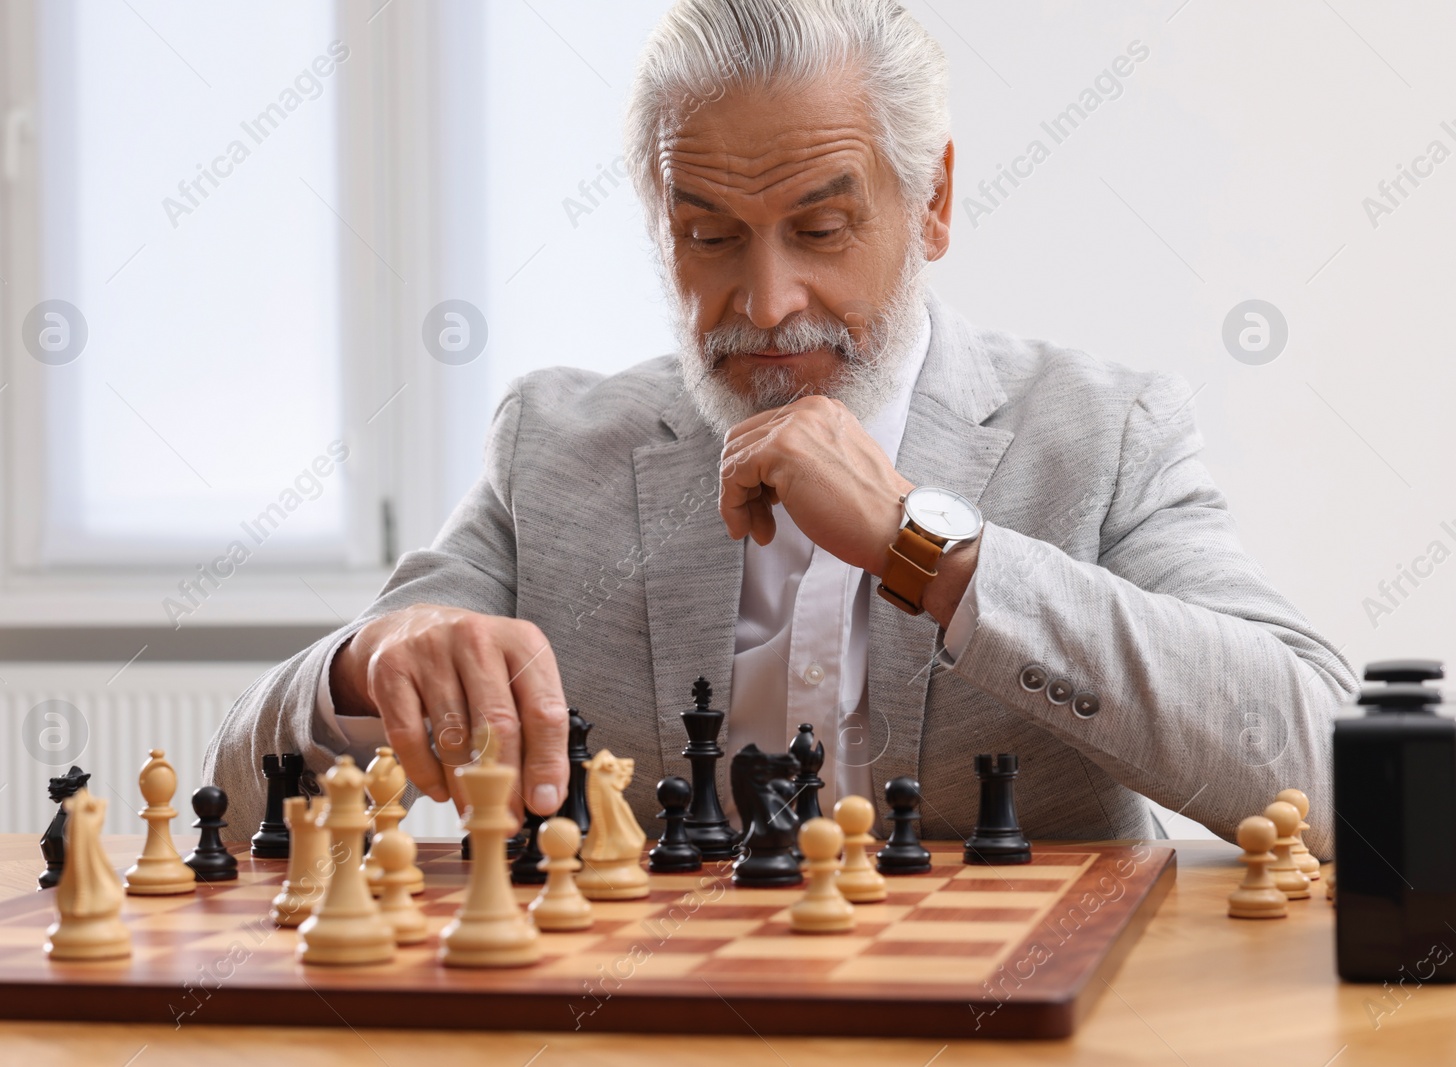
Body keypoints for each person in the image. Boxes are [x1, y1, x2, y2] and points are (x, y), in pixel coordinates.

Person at [206, 0, 1354, 854]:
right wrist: (369, 665)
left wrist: (931, 549)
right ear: (660, 226)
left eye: (819, 227)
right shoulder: (552, 445)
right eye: (709, 235)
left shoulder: (1100, 432)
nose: (764, 307)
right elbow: (244, 797)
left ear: (934, 204)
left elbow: (1331, 767)